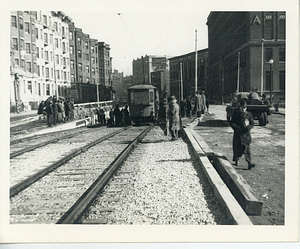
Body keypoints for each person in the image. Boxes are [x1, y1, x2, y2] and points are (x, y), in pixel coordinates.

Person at [229, 99, 255, 170]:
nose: (244, 109)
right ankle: (237, 160)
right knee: (237, 148)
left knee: (247, 149)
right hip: (238, 134)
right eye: (242, 107)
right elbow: (231, 123)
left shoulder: (249, 114)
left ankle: (249, 163)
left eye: (245, 107)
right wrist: (237, 128)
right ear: (239, 107)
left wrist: (248, 127)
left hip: (246, 135)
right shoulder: (235, 114)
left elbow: (252, 123)